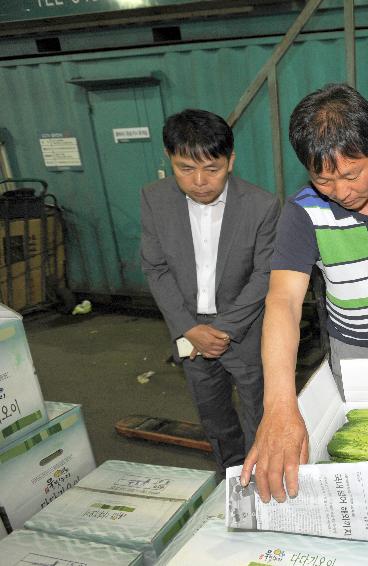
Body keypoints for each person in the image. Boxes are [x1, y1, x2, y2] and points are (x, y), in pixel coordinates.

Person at [241, 83, 368, 502]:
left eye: (352, 173)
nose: (342, 191)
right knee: (366, 461)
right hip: (354, 357)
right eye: (324, 179)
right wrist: (279, 404)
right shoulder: (303, 213)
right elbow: (283, 301)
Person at [140, 109, 280, 475]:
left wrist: (224, 330)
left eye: (212, 168)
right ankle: (230, 478)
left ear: (230, 161)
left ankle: (259, 477)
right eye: (185, 168)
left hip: (244, 331)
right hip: (189, 332)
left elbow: (265, 273)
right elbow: (156, 268)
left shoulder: (262, 206)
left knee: (258, 414)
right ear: (169, 159)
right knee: (214, 417)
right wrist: (189, 328)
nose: (200, 181)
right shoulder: (155, 200)